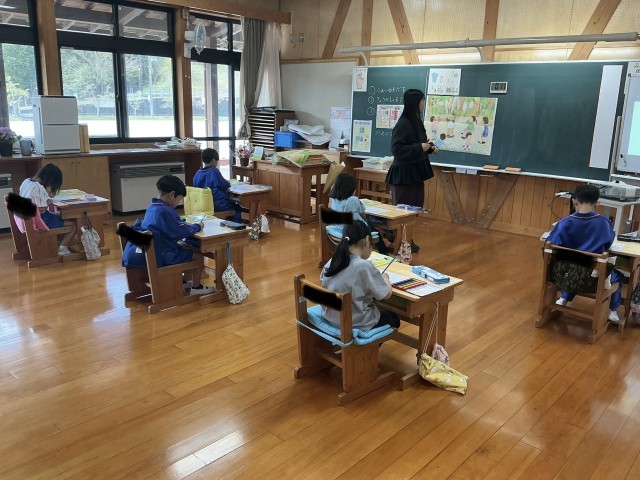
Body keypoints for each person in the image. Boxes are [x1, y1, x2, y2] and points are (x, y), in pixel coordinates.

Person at [121, 175, 214, 296]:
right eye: (179, 199)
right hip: (163, 255)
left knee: (185, 247)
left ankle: (183, 281)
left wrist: (180, 223)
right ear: (172, 194)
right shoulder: (166, 211)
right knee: (198, 256)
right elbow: (179, 232)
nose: (178, 203)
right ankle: (197, 287)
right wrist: (198, 226)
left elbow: (170, 226)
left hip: (151, 251)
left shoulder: (152, 207)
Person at [547, 184, 622, 323]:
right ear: (597, 203)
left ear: (575, 200)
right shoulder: (604, 223)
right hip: (591, 279)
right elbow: (607, 244)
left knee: (573, 265)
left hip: (563, 276)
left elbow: (551, 243)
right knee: (618, 276)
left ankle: (564, 297)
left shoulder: (564, 222)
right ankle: (613, 310)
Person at [321, 220, 400, 331]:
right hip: (352, 323)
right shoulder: (364, 266)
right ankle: (368, 343)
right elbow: (386, 294)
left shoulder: (333, 261)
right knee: (394, 319)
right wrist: (385, 278)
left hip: (330, 318)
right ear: (367, 240)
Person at [386, 88, 439, 252]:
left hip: (415, 173)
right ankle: (400, 240)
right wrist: (419, 147)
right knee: (403, 210)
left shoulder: (417, 122)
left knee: (415, 207)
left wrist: (430, 147)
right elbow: (396, 149)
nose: (423, 104)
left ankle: (405, 238)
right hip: (403, 174)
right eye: (422, 101)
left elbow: (419, 144)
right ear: (414, 103)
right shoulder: (403, 123)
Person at [19, 163, 76, 256]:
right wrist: (48, 202)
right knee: (73, 224)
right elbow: (41, 208)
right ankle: (63, 249)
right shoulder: (38, 188)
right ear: (51, 180)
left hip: (26, 218)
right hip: (41, 220)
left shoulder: (26, 182)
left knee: (58, 215)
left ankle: (58, 244)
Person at [329, 173, 392, 255]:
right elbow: (363, 215)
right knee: (376, 231)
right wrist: (367, 221)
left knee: (371, 226)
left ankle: (385, 244)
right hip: (356, 229)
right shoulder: (353, 200)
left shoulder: (334, 199)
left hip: (340, 227)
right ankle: (384, 254)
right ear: (350, 189)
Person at [193, 148, 242, 222]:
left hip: (203, 204)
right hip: (217, 203)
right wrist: (228, 182)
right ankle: (235, 227)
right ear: (213, 161)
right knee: (237, 208)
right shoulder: (214, 171)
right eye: (217, 161)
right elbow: (225, 185)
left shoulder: (198, 173)